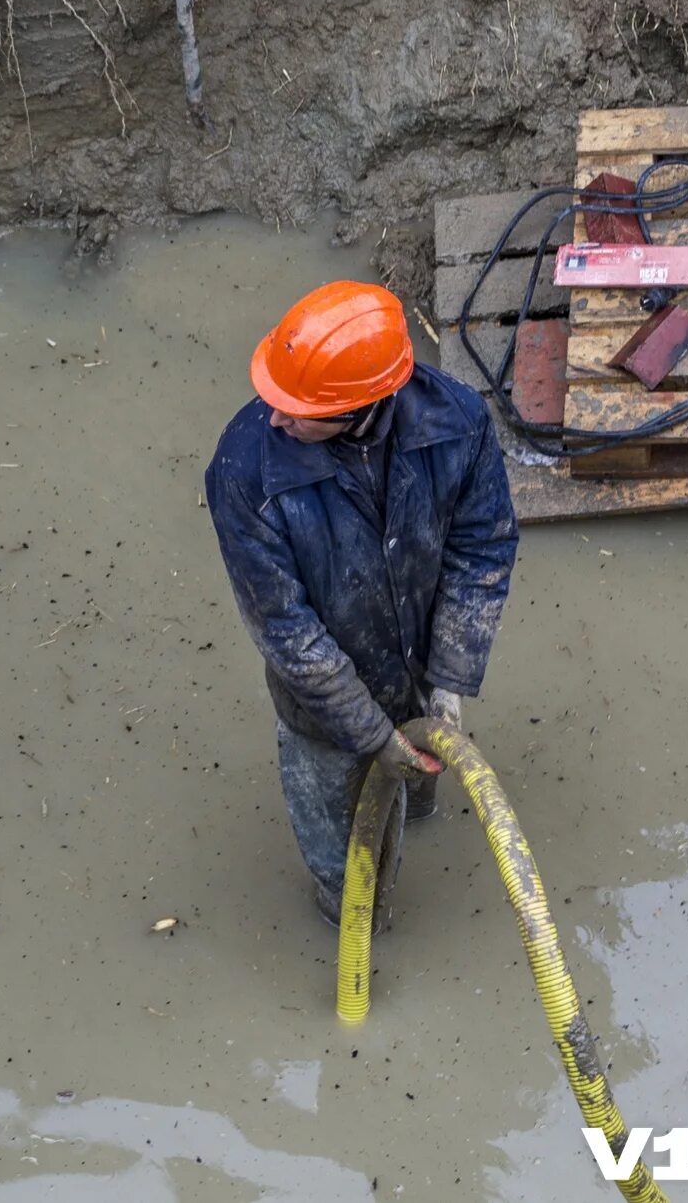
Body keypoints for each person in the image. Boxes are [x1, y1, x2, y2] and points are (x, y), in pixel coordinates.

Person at [203, 280, 517, 925]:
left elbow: (481, 546)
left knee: (421, 780)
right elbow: (287, 631)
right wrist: (370, 733)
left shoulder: (456, 422)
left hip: (424, 667)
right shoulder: (245, 471)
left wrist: (451, 679)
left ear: (364, 404)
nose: (275, 417)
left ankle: (419, 804)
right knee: (348, 862)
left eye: (296, 409)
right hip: (324, 704)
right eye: (275, 396)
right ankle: (354, 920)